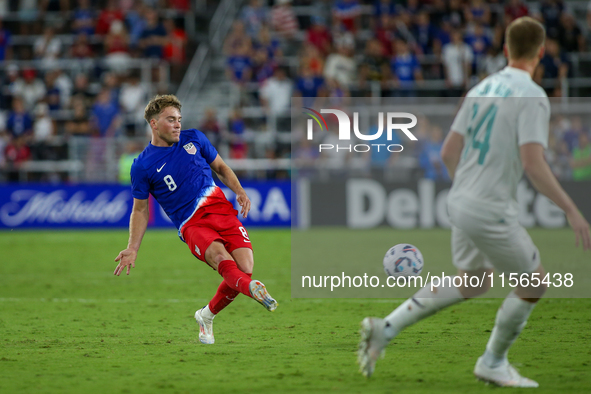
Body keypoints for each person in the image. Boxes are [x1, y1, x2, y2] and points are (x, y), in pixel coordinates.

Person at [357, 17, 590, 387]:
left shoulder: (481, 88)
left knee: (474, 281)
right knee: (534, 284)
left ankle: (385, 329)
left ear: (505, 50)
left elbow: (449, 152)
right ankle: (493, 361)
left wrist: (468, 187)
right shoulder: (532, 95)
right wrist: (572, 209)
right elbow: (533, 163)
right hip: (490, 208)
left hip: (460, 200)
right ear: (541, 52)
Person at [113, 95, 277, 345]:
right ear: (154, 124)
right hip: (192, 224)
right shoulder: (142, 165)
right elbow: (140, 210)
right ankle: (253, 289)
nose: (178, 124)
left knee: (244, 269)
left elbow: (221, 168)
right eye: (171, 120)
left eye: (179, 119)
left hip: (222, 212)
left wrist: (240, 191)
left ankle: (206, 315)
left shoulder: (195, 138)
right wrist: (133, 248)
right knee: (223, 260)